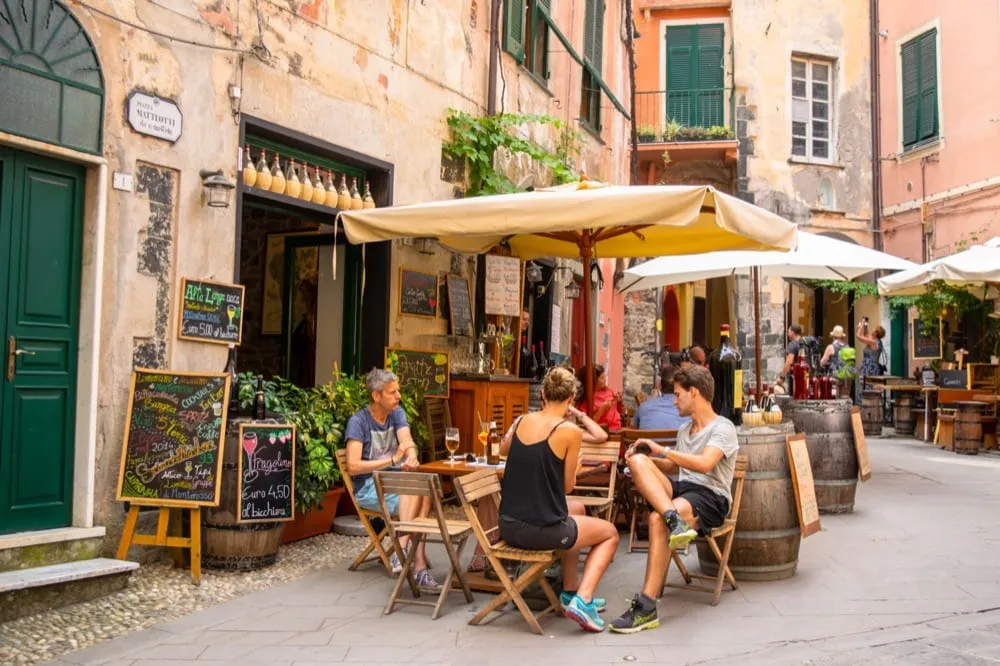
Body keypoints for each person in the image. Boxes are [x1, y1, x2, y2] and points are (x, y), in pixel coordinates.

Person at [609, 366, 739, 634]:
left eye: (678, 394)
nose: (674, 400)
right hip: (682, 489)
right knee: (637, 460)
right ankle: (674, 519)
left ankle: (646, 606)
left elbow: (704, 465)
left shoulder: (722, 428)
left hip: (710, 496)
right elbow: (675, 469)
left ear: (694, 393)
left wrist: (664, 450)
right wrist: (648, 457)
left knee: (656, 519)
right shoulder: (684, 430)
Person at [500, 366, 620, 632]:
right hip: (540, 531)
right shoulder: (569, 431)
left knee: (577, 508)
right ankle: (584, 600)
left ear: (542, 394)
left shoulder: (521, 421)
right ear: (571, 398)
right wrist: (574, 469)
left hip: (508, 524)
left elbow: (503, 449)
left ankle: (569, 590)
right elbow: (566, 487)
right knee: (610, 533)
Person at [345, 369, 439, 588]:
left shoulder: (397, 413)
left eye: (398, 391)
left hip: (396, 485)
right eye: (393, 392)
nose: (399, 396)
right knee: (420, 494)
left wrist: (412, 458)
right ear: (376, 396)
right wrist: (393, 459)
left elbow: (407, 441)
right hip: (369, 488)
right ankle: (417, 566)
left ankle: (404, 549)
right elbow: (353, 466)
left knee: (422, 489)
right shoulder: (358, 422)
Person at [631, 366, 691, 431]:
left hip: (648, 440)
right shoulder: (688, 410)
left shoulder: (644, 407)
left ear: (660, 385)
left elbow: (633, 427)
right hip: (678, 440)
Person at [576, 365, 624, 431]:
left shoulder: (609, 391)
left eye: (605, 377)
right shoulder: (586, 400)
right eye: (602, 378)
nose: (605, 380)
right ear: (593, 382)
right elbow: (588, 424)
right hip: (602, 433)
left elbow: (620, 411)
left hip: (617, 430)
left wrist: (619, 402)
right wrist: (602, 409)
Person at [857, 319, 886, 384]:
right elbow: (866, 335)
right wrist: (865, 325)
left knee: (867, 387)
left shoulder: (872, 342)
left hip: (869, 368)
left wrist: (861, 324)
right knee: (868, 387)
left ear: (876, 333)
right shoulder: (877, 341)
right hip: (871, 366)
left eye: (874, 329)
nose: (872, 329)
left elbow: (858, 336)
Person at [776, 325, 803, 392]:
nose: (788, 334)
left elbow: (789, 362)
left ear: (792, 332)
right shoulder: (804, 343)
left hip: (796, 378)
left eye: (788, 332)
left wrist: (782, 377)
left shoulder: (792, 344)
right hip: (805, 377)